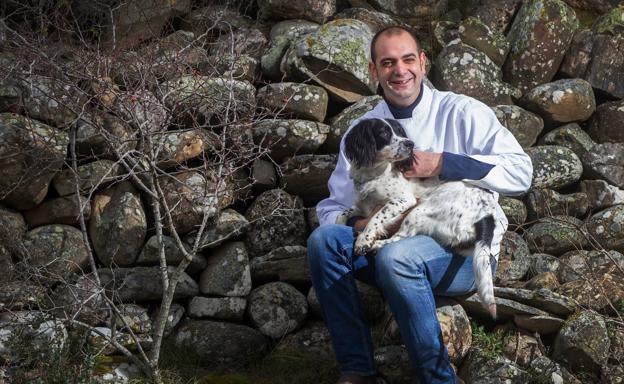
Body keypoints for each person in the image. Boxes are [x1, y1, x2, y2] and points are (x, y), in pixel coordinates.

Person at [307, 26, 532, 384]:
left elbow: (522, 172)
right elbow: (331, 207)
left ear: (423, 63)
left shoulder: (462, 111)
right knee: (325, 242)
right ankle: (357, 372)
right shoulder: (361, 133)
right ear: (373, 71)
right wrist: (359, 226)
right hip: (384, 244)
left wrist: (444, 163)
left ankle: (437, 379)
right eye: (388, 62)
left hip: (459, 253)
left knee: (401, 256)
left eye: (408, 59)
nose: (400, 70)